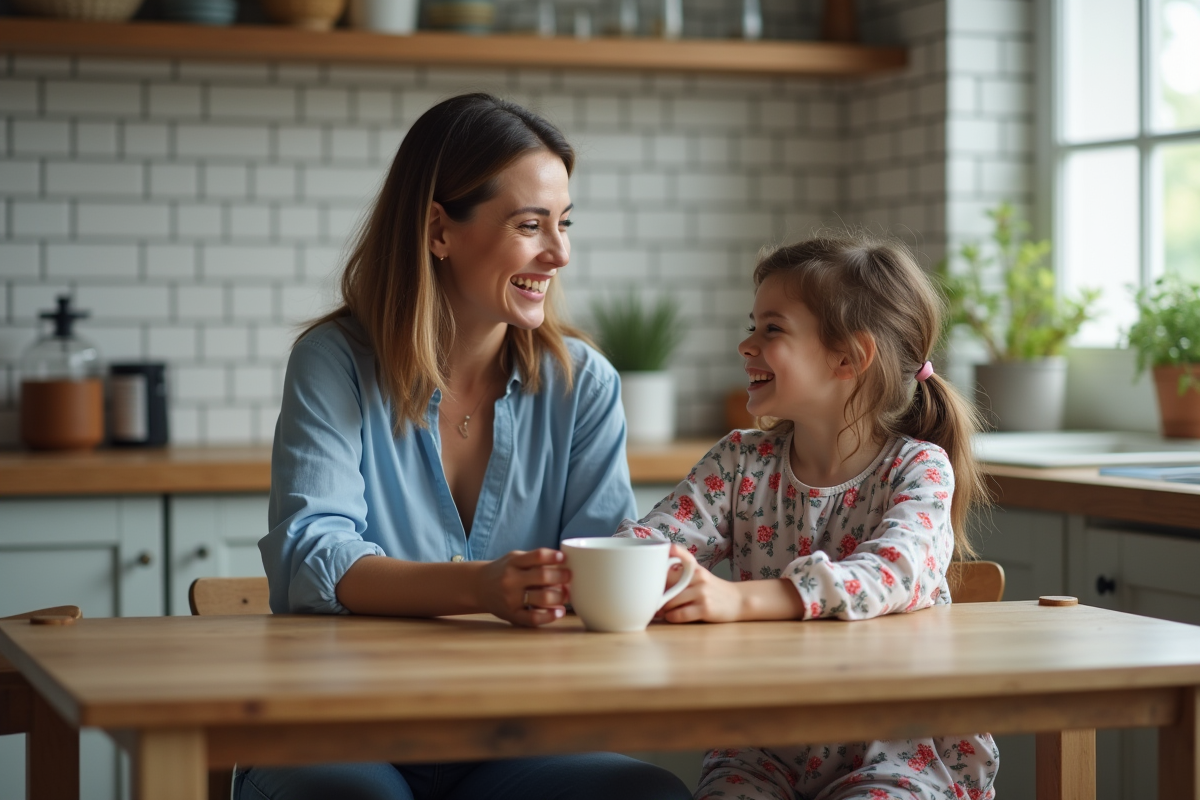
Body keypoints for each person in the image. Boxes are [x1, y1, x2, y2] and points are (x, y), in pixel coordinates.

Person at [245, 93, 692, 800]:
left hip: (518, 741)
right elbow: (310, 554)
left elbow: (600, 570)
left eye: (564, 224)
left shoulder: (585, 385)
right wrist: (480, 586)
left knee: (647, 794)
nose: (560, 252)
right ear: (438, 229)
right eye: (530, 225)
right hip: (340, 730)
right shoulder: (334, 362)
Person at [615, 233, 999, 800]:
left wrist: (741, 600)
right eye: (753, 325)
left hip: (895, 749)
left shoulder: (918, 468)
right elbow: (653, 540)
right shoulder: (741, 461)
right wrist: (599, 567)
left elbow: (894, 572)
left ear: (848, 357)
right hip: (760, 745)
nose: (747, 344)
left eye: (772, 329)